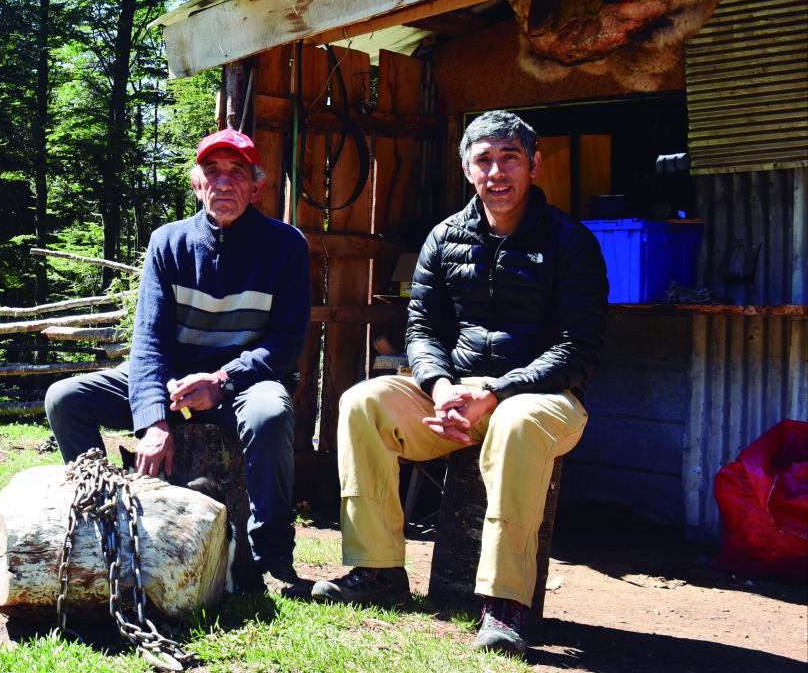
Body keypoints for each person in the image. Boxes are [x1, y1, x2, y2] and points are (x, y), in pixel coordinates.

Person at [311, 110, 608, 656]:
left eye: (510, 158)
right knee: (362, 401)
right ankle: (377, 568)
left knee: (516, 422)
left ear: (534, 164)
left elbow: (578, 349)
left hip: (543, 401)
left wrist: (494, 393)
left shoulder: (571, 242)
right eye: (484, 159)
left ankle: (505, 603)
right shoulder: (445, 237)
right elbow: (421, 328)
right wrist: (441, 385)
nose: (497, 172)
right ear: (467, 169)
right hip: (454, 396)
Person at [45, 127, 312, 597]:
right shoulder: (168, 242)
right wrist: (153, 420)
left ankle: (271, 556)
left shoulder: (286, 246)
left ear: (257, 185)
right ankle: (106, 517)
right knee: (65, 399)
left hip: (243, 382)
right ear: (196, 184)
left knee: (271, 413)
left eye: (237, 174)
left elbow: (287, 344)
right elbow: (148, 342)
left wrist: (224, 380)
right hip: (172, 377)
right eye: (212, 173)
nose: (223, 184)